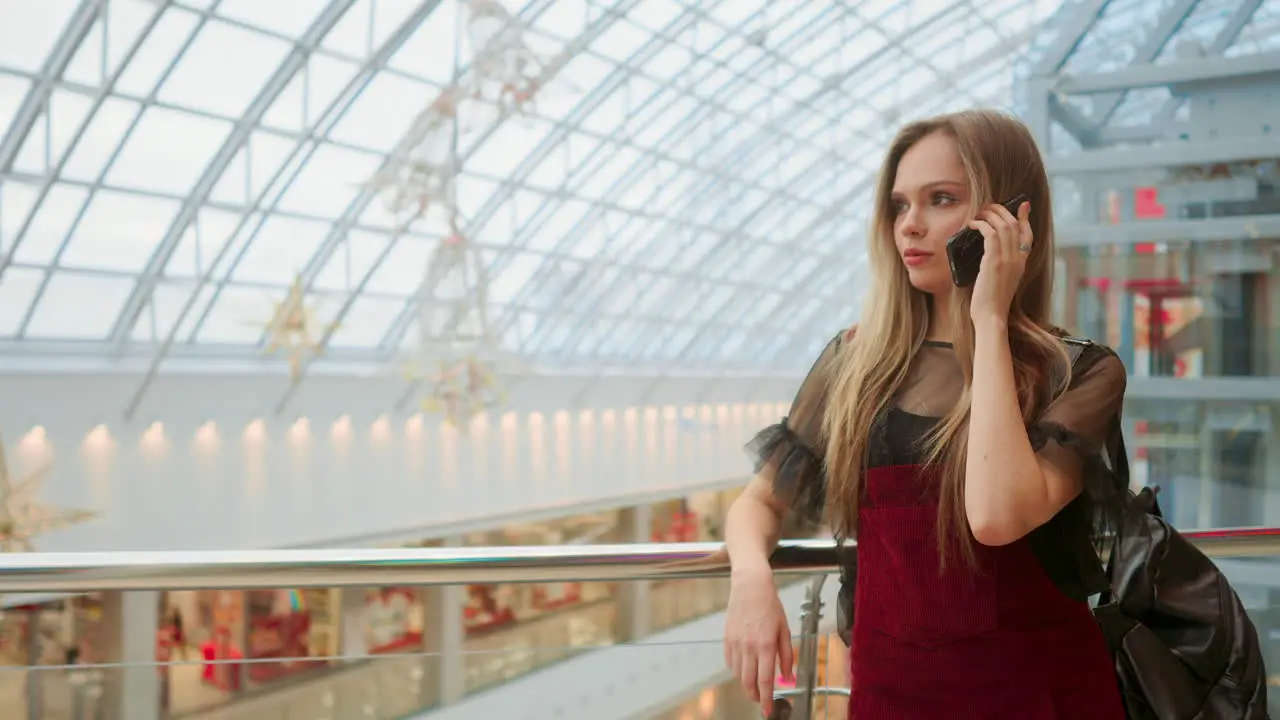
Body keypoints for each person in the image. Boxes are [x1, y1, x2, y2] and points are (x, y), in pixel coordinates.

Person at [721, 109, 1129, 719]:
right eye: (898, 205)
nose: (909, 226)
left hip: (1044, 699)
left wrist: (988, 320)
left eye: (940, 200)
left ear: (1011, 217)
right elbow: (760, 502)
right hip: (893, 700)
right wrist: (751, 579)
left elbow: (995, 517)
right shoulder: (856, 365)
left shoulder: (1079, 373)